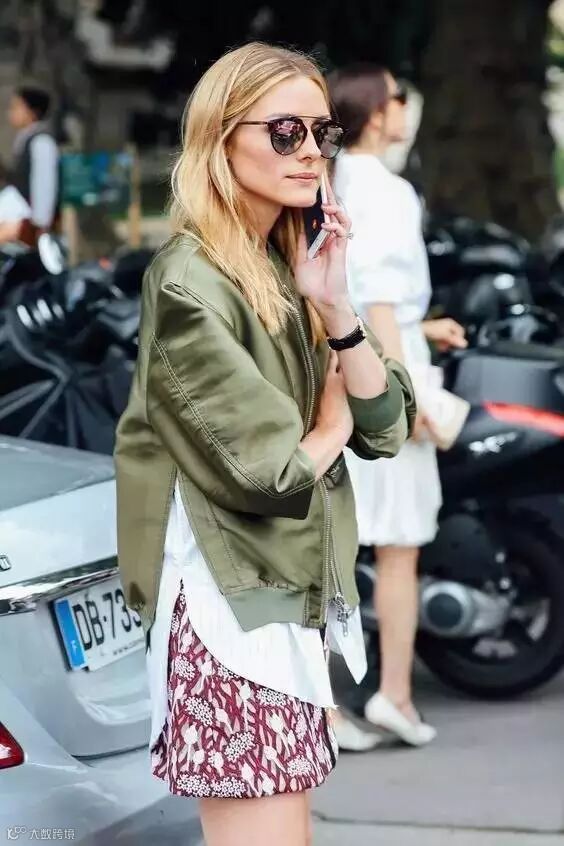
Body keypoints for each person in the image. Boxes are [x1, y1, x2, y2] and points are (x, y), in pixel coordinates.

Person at [114, 43, 415, 846]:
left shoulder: (293, 264)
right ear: (221, 138)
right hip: (230, 613)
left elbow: (387, 425)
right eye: (286, 131)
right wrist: (332, 423)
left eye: (322, 132)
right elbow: (271, 473)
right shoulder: (190, 282)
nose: (311, 150)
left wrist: (338, 310)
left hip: (283, 602)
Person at [329, 64, 467, 747]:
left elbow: (365, 294)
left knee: (334, 542)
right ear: (377, 114)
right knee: (399, 547)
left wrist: (421, 327)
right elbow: (380, 295)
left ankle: (325, 709)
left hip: (348, 361)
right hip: (384, 365)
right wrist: (403, 393)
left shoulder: (335, 181)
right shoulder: (386, 189)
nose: (403, 107)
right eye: (395, 97)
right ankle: (396, 696)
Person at [0, 86, 59, 245]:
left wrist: (38, 226)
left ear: (32, 112)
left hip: (26, 223)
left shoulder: (42, 142)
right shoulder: (25, 139)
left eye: (16, 107)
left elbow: (44, 184)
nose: (10, 113)